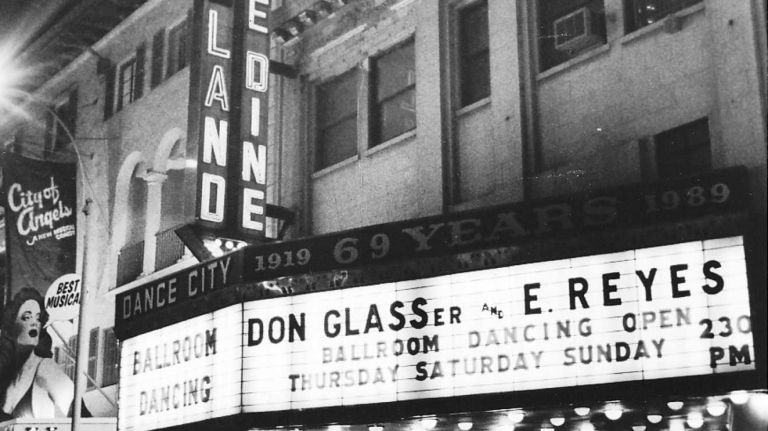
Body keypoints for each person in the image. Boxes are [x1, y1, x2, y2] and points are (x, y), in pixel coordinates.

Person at [0, 288, 76, 419]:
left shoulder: (45, 368)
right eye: (27, 317)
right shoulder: (7, 379)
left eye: (38, 318)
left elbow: (82, 417)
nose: (34, 322)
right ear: (12, 325)